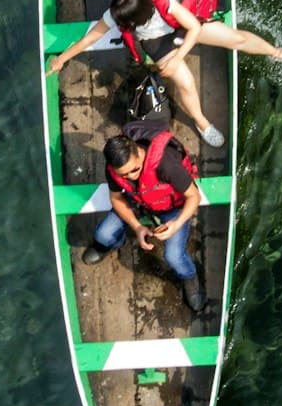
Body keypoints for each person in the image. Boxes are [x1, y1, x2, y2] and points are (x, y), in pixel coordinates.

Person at [46, 0, 282, 149]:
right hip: (156, 43)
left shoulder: (165, 1)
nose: (120, 24)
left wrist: (178, 57)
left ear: (143, 13)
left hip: (180, 27)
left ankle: (278, 53)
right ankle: (202, 122)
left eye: (127, 23)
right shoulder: (117, 13)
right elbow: (89, 39)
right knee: (185, 82)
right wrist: (62, 59)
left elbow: (193, 28)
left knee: (235, 38)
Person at [84, 120, 206, 314]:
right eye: (124, 175)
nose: (131, 176)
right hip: (139, 203)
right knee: (103, 235)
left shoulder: (166, 165)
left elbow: (194, 196)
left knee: (173, 256)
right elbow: (116, 198)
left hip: (172, 207)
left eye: (135, 170)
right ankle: (116, 242)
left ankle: (189, 277)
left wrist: (176, 224)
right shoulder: (114, 169)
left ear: (139, 153)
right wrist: (137, 226)